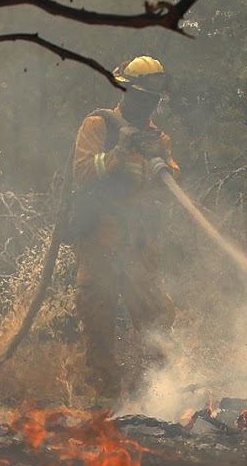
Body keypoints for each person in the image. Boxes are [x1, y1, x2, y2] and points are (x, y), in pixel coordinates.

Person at [67, 56, 180, 404]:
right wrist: (119, 151)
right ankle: (105, 406)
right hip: (100, 242)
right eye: (140, 95)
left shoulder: (158, 138)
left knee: (155, 323)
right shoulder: (99, 125)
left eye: (153, 99)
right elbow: (82, 172)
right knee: (98, 325)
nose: (146, 103)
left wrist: (163, 167)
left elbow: (171, 181)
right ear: (124, 91)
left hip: (140, 246)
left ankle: (154, 401)